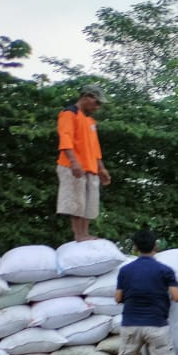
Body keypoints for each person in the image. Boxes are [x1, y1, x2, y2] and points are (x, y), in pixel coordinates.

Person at [113, 229, 178, 355]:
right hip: (157, 325)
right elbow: (177, 297)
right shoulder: (165, 270)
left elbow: (118, 298)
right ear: (156, 246)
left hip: (130, 324)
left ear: (135, 248)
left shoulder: (125, 270)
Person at [57, 84, 112, 242]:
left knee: (89, 202)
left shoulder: (90, 121)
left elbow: (95, 146)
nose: (98, 107)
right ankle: (79, 235)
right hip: (73, 166)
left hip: (91, 167)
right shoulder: (69, 113)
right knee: (76, 202)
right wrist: (74, 162)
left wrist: (101, 168)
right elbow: (65, 138)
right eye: (97, 102)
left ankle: (85, 232)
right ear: (86, 97)